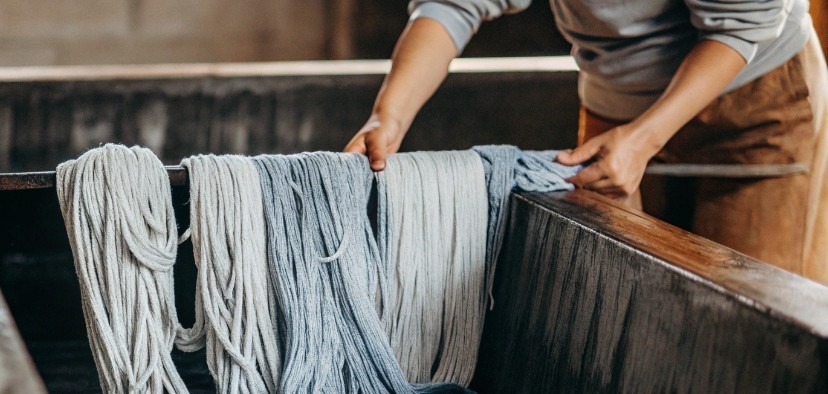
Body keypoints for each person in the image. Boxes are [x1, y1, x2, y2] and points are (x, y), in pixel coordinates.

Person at [345, 0, 828, 284]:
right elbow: (454, 4)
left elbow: (741, 24)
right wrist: (388, 116)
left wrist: (644, 140)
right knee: (619, 290)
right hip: (615, 100)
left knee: (743, 313)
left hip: (753, 102)